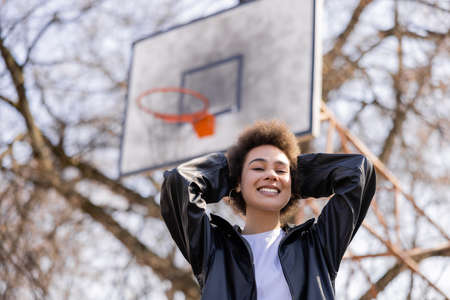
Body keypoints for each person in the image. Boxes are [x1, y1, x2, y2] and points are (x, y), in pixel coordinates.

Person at [160, 120, 376, 300]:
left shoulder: (317, 246)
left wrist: (297, 177)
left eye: (281, 170)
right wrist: (230, 171)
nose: (272, 175)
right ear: (237, 183)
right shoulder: (214, 250)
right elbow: (179, 182)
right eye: (258, 168)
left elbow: (358, 173)